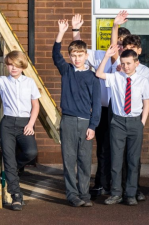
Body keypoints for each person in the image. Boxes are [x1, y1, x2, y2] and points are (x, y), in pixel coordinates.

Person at [0, 48, 40, 212]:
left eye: (17, 65)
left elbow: (35, 105)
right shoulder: (3, 81)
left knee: (31, 153)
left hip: (25, 123)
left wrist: (31, 124)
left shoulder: (29, 82)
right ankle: (16, 195)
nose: (13, 68)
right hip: (8, 123)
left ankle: (12, 169)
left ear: (22, 66)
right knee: (8, 159)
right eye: (10, 65)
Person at [72, 12, 130, 197]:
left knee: (120, 149)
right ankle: (101, 183)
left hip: (120, 111)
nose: (119, 46)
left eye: (123, 44)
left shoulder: (125, 62)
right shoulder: (99, 55)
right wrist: (76, 30)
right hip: (103, 109)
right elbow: (78, 49)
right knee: (103, 149)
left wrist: (115, 26)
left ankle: (120, 185)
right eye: (117, 42)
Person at [94, 47, 149, 206]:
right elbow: (99, 74)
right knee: (116, 160)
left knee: (133, 160)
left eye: (129, 63)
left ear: (136, 63)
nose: (126, 66)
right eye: (123, 63)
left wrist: (142, 123)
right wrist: (106, 57)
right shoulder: (116, 77)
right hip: (118, 122)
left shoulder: (142, 80)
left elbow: (146, 103)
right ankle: (116, 193)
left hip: (135, 122)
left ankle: (131, 194)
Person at [53, 19, 101, 207]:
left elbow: (96, 104)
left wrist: (93, 126)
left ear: (86, 55)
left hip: (85, 123)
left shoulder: (92, 76)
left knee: (84, 161)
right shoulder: (66, 70)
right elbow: (55, 55)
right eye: (73, 55)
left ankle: (84, 194)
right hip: (68, 121)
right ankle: (72, 195)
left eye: (80, 55)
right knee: (69, 160)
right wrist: (61, 32)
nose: (76, 58)